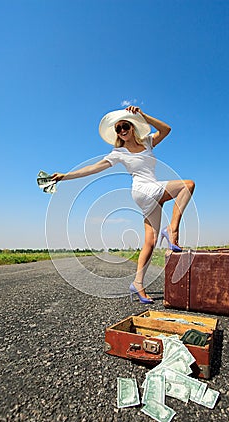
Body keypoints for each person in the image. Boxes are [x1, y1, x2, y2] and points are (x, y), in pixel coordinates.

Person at [52, 106, 195, 304]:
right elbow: (93, 168)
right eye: (118, 129)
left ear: (132, 126)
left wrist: (144, 115)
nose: (121, 131)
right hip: (143, 190)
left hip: (151, 191)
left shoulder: (147, 142)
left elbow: (166, 130)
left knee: (150, 243)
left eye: (124, 126)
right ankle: (172, 230)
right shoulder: (118, 153)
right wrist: (65, 176)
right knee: (187, 185)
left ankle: (137, 283)